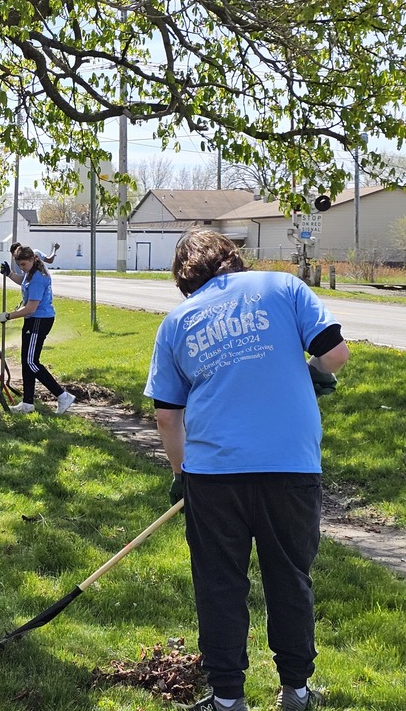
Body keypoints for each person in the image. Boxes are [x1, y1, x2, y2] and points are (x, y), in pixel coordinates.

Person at [143, 229, 349, 711]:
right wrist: (315, 374)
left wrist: (181, 473)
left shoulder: (177, 322)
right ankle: (296, 691)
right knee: (290, 578)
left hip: (214, 477)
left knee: (219, 585)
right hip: (290, 469)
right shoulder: (283, 287)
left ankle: (229, 699)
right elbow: (335, 354)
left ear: (184, 277)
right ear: (233, 258)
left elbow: (166, 413)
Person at [0, 245, 75, 414]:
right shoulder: (30, 272)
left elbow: (31, 308)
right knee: (26, 362)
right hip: (32, 320)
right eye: (20, 265)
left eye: (24, 264)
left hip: (40, 320)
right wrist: (10, 274)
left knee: (31, 362)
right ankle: (27, 404)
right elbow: (23, 280)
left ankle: (62, 396)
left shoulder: (38, 278)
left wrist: (9, 316)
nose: (22, 268)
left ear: (32, 260)